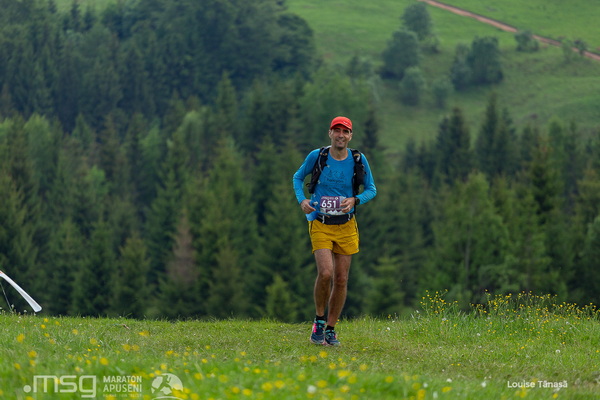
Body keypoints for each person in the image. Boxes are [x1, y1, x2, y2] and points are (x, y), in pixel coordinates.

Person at [292, 116, 377, 346]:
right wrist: (302, 200)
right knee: (326, 273)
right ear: (330, 133)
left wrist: (355, 200)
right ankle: (319, 320)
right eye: (337, 130)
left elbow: (371, 189)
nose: (341, 135)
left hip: (346, 225)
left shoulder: (358, 159)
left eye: (345, 131)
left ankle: (331, 329)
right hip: (320, 222)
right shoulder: (317, 156)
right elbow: (298, 177)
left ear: (350, 136)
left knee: (341, 279)